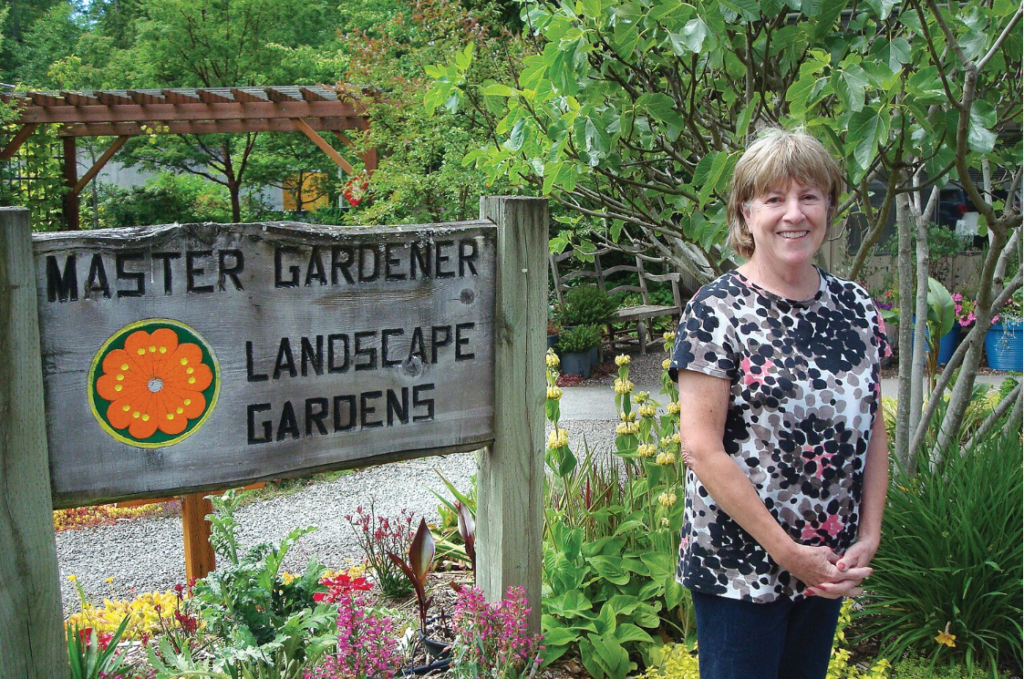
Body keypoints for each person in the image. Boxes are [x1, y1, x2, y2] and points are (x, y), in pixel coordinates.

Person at [668, 130, 891, 679]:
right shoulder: (716, 310)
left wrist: (870, 532)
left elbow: (873, 424)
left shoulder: (856, 306)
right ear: (745, 214)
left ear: (829, 208)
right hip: (739, 574)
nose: (794, 214)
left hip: (827, 566)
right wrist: (789, 552)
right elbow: (700, 449)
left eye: (809, 196)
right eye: (774, 199)